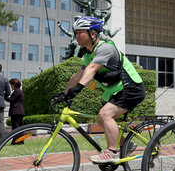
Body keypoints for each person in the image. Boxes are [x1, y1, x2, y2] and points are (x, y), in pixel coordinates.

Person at [53, 17, 146, 163]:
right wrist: (64, 93)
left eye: (80, 33)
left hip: (131, 87)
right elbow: (77, 76)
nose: (76, 36)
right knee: (101, 119)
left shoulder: (105, 48)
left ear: (93, 34)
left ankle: (112, 152)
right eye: (75, 33)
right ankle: (126, 145)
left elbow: (92, 69)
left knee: (105, 114)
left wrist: (78, 89)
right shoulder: (89, 55)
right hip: (118, 90)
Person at [6, 78, 25, 145]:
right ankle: (19, 141)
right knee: (19, 127)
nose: (10, 86)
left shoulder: (16, 91)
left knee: (16, 127)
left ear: (14, 85)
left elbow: (11, 100)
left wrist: (4, 96)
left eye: (11, 85)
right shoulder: (19, 91)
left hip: (16, 111)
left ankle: (17, 141)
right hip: (20, 111)